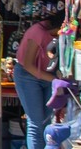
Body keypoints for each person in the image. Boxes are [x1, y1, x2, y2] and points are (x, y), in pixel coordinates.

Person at [14, 13, 63, 149]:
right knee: (36, 123)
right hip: (27, 75)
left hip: (47, 75)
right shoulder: (38, 32)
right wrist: (54, 79)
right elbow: (28, 65)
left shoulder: (56, 35)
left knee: (46, 121)